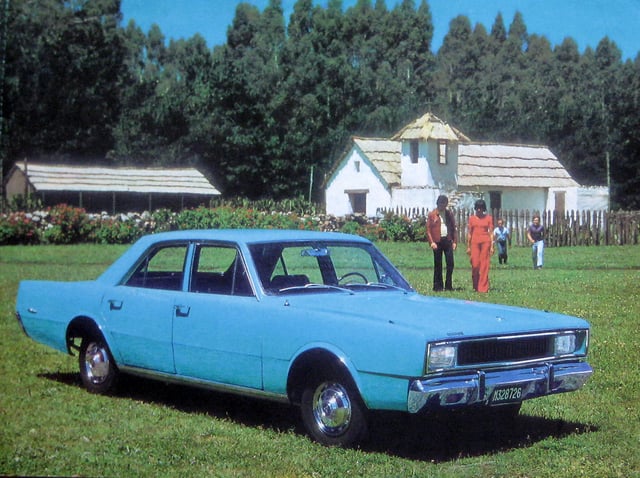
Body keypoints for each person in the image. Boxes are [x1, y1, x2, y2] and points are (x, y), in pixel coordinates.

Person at [426, 195, 457, 291]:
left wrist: (455, 242)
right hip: (437, 241)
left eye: (444, 204)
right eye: (441, 203)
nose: (442, 206)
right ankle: (438, 286)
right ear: (438, 203)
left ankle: (448, 285)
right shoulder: (432, 214)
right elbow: (428, 230)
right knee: (438, 264)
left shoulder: (449, 214)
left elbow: (453, 228)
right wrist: (431, 242)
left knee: (450, 263)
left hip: (447, 241)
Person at [466, 199, 494, 292]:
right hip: (474, 243)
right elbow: (470, 233)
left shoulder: (488, 218)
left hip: (485, 242)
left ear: (483, 208)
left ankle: (483, 288)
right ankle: (475, 285)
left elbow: (491, 233)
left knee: (484, 265)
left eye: (481, 208)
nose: (479, 210)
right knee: (475, 264)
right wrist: (468, 246)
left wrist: (492, 246)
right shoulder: (472, 219)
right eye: (477, 208)